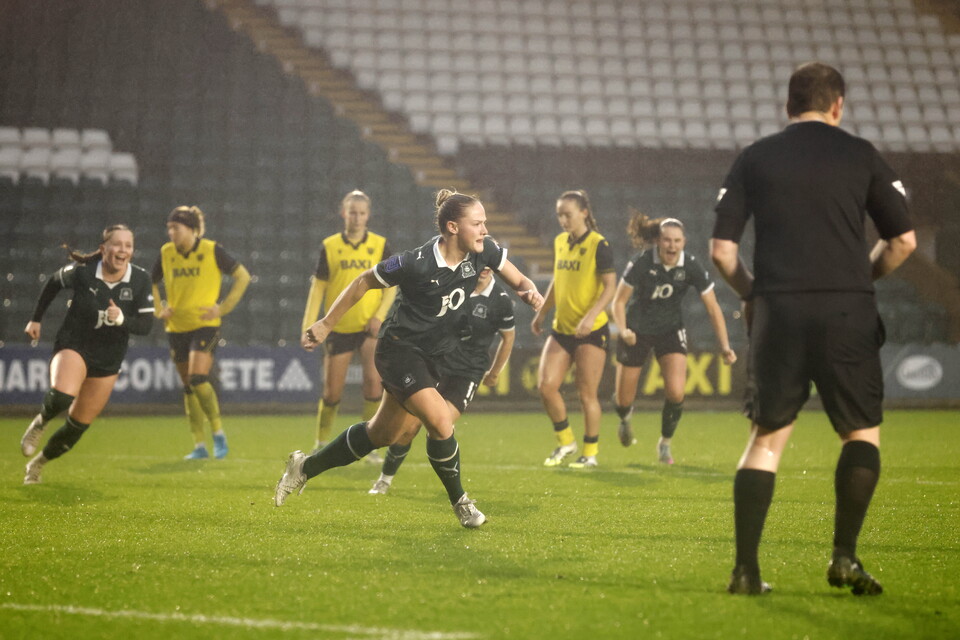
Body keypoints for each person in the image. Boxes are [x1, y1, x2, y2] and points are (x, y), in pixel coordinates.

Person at [711, 62, 916, 595]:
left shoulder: (755, 157)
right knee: (861, 433)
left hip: (779, 309)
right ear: (838, 105)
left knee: (767, 439)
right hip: (847, 310)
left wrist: (756, 293)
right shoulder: (861, 154)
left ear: (787, 106)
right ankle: (844, 557)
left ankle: (745, 572)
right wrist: (857, 278)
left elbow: (722, 252)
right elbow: (904, 242)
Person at [274, 189, 543, 528]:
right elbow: (362, 282)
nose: (485, 230)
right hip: (399, 351)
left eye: (485, 223)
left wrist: (530, 294)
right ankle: (461, 503)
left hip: (432, 356)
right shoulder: (415, 262)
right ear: (453, 227)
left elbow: (520, 281)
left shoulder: (483, 250)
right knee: (441, 422)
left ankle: (304, 467)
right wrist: (327, 324)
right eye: (478, 223)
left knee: (381, 434)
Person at [20, 225, 154, 484]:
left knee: (77, 427)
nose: (123, 250)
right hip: (75, 343)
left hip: (108, 358)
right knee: (62, 394)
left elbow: (146, 326)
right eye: (117, 244)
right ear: (104, 248)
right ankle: (41, 421)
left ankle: (38, 464)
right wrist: (35, 319)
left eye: (128, 245)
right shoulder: (83, 272)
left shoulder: (140, 279)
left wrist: (122, 318)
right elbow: (53, 283)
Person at [368, 266, 515, 494]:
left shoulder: (500, 300)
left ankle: (456, 493)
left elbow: (508, 337)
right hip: (437, 364)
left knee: (439, 424)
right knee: (409, 427)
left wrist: (495, 371)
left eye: (490, 265)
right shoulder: (456, 285)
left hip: (467, 374)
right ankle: (384, 479)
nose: (485, 269)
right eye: (481, 264)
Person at [610, 212, 736, 464]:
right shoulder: (642, 263)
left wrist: (725, 346)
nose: (672, 245)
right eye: (667, 240)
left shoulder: (691, 265)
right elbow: (618, 302)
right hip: (636, 330)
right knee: (623, 399)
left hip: (670, 329)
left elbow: (713, 308)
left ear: (684, 242)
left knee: (677, 392)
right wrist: (623, 330)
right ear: (658, 241)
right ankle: (625, 418)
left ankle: (665, 444)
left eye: (677, 241)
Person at [151, 206, 251, 460]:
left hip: (207, 325)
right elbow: (150, 281)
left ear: (191, 229)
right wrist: (158, 308)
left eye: (176, 227)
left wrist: (223, 307)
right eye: (169, 228)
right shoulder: (166, 253)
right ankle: (199, 446)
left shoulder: (211, 250)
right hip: (176, 328)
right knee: (188, 387)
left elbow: (243, 277)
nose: (171, 232)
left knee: (198, 378)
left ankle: (218, 433)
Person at [302, 190, 395, 459]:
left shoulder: (379, 245)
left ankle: (370, 445)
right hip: (339, 328)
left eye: (362, 213)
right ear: (344, 213)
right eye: (352, 212)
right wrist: (310, 325)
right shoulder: (330, 246)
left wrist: (379, 316)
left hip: (369, 327)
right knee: (332, 391)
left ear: (368, 215)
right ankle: (320, 442)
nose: (357, 217)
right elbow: (317, 289)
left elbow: (391, 286)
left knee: (373, 385)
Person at [531, 190, 616, 468]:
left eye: (568, 214)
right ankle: (566, 441)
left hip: (592, 330)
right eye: (560, 215)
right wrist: (542, 312)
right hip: (563, 328)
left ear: (584, 213)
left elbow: (610, 287)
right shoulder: (559, 242)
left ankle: (590, 453)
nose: (563, 220)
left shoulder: (598, 244)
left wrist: (592, 316)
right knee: (546, 386)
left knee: (586, 394)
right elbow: (558, 280)